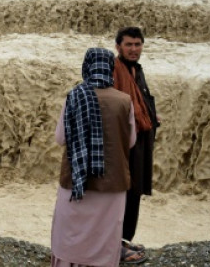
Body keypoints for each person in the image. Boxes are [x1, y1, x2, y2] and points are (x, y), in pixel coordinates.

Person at [50, 48, 136, 267]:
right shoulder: (125, 101)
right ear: (111, 69)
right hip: (113, 182)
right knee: (105, 237)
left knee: (71, 235)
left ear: (86, 67)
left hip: (77, 181)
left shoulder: (74, 96)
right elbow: (131, 141)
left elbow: (60, 138)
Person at [112, 27, 160, 263]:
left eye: (137, 44)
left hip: (140, 140)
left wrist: (152, 116)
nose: (133, 49)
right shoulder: (114, 70)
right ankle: (115, 245)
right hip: (124, 143)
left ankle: (123, 240)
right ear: (118, 46)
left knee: (134, 192)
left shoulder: (136, 71)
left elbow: (139, 102)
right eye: (129, 44)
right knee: (123, 192)